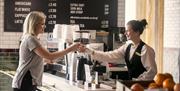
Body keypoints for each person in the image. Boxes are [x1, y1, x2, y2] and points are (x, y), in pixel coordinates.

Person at [12, 11, 80, 91]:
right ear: (34, 24)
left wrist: (44, 60)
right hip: (25, 81)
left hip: (28, 81)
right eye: (42, 24)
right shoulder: (31, 39)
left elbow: (38, 57)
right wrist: (70, 49)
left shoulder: (31, 38)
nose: (44, 26)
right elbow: (50, 56)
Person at [79, 19, 157, 80]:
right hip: (132, 86)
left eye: (127, 31)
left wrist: (138, 81)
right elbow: (109, 56)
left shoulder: (146, 50)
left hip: (143, 87)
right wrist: (89, 51)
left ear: (137, 32)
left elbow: (151, 71)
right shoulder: (127, 47)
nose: (125, 33)